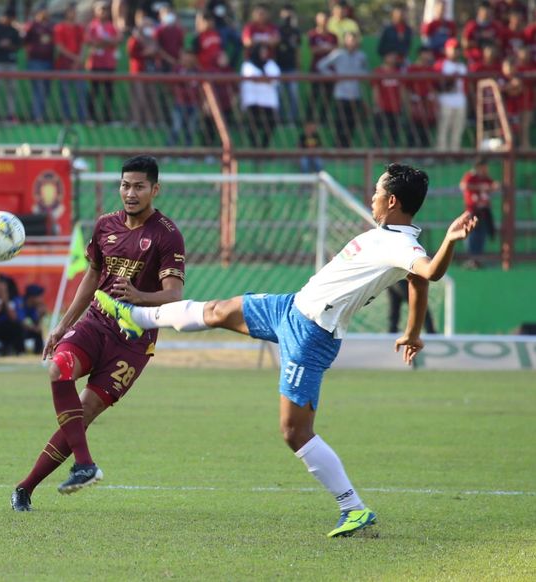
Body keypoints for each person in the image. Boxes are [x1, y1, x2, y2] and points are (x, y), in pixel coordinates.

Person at [95, 163, 478, 538]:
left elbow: (428, 273)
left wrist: (449, 241)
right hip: (290, 307)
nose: (372, 196)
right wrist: (412, 332)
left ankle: (353, 508)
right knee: (216, 310)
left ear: (392, 200)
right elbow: (417, 283)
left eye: (377, 191)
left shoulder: (402, 244)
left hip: (311, 334)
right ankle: (136, 316)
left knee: (294, 432)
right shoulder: (389, 234)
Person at [10, 155, 186, 511]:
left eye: (139, 186)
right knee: (58, 369)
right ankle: (85, 464)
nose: (130, 193)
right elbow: (92, 276)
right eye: (125, 185)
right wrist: (62, 325)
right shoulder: (105, 225)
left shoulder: (167, 235)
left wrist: (139, 297)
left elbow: (173, 294)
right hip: (96, 323)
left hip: (134, 343)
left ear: (155, 189)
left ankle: (25, 489)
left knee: (84, 412)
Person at [317, 31, 368, 148]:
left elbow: (366, 71)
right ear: (345, 41)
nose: (351, 42)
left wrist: (359, 75)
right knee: (340, 122)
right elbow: (321, 65)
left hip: (356, 94)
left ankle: (347, 148)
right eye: (349, 39)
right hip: (341, 93)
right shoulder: (338, 54)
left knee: (352, 123)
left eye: (353, 40)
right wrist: (333, 76)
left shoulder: (361, 56)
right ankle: (338, 148)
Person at [85, 1, 122, 124]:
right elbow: (92, 42)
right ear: (95, 11)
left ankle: (107, 119)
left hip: (109, 64)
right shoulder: (92, 26)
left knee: (108, 92)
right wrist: (107, 42)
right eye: (101, 9)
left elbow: (117, 41)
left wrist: (103, 42)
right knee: (94, 92)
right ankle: (90, 118)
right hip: (95, 64)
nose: (103, 12)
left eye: (105, 9)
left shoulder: (112, 26)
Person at [460, 157, 499, 266]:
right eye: (484, 167)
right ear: (479, 167)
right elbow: (464, 186)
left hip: (483, 211)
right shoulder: (471, 176)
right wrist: (480, 187)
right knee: (471, 234)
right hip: (472, 210)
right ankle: (471, 259)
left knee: (482, 234)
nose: (486, 169)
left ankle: (478, 259)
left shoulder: (485, 178)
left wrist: (491, 187)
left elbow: (495, 185)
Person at [241, 43, 281, 149]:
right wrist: (264, 79)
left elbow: (274, 78)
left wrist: (262, 79)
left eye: (265, 51)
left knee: (271, 123)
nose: (264, 54)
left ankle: (264, 147)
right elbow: (252, 78)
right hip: (253, 99)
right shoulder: (248, 64)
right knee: (253, 124)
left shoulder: (271, 63)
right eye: (262, 51)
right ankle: (254, 148)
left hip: (268, 100)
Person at [54, 2, 87, 123]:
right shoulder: (60, 27)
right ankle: (66, 118)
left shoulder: (79, 28)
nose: (73, 13)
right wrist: (75, 58)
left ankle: (82, 119)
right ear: (66, 13)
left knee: (81, 92)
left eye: (74, 11)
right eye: (71, 11)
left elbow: (83, 45)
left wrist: (79, 59)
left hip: (78, 65)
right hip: (65, 64)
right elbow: (59, 47)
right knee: (65, 93)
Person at [435, 38, 467, 151]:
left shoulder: (463, 65)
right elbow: (437, 84)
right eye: (453, 49)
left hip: (460, 100)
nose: (456, 51)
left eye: (458, 49)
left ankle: (455, 152)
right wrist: (449, 82)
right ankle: (441, 153)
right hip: (445, 100)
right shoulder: (441, 64)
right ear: (447, 50)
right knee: (444, 128)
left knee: (458, 128)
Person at [24, 3, 54, 123]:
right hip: (35, 61)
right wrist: (31, 53)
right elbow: (25, 41)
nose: (44, 13)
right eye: (42, 11)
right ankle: (37, 117)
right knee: (39, 89)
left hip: (48, 61)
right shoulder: (32, 25)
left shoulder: (51, 26)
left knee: (46, 90)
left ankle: (40, 114)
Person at [404, 46, 437, 148]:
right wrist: (407, 105)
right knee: (413, 131)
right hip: (415, 103)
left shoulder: (432, 70)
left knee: (426, 131)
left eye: (429, 54)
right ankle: (410, 155)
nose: (429, 56)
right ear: (420, 54)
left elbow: (434, 88)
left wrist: (434, 105)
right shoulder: (411, 69)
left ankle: (424, 155)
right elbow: (406, 88)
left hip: (427, 104)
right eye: (426, 53)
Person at [275, 4, 301, 125]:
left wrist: (298, 64)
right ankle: (279, 121)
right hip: (277, 67)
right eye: (285, 14)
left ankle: (291, 121)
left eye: (290, 14)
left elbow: (298, 49)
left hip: (292, 68)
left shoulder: (296, 31)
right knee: (278, 96)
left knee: (293, 95)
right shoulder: (276, 30)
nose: (287, 17)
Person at [372, 51, 402, 147]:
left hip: (395, 107)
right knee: (378, 132)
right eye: (390, 56)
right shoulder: (378, 71)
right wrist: (376, 105)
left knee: (394, 132)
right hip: (382, 107)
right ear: (385, 57)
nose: (393, 58)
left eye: (394, 56)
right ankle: (377, 153)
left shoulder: (398, 72)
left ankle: (392, 155)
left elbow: (402, 90)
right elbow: (375, 90)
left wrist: (402, 105)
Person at [21, 283, 46, 354]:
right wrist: (35, 328)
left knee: (38, 333)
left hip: (30, 329)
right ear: (31, 297)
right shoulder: (21, 303)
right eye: (39, 296)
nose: (41, 298)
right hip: (19, 330)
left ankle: (39, 352)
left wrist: (41, 315)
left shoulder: (35, 307)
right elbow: (22, 321)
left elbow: (37, 324)